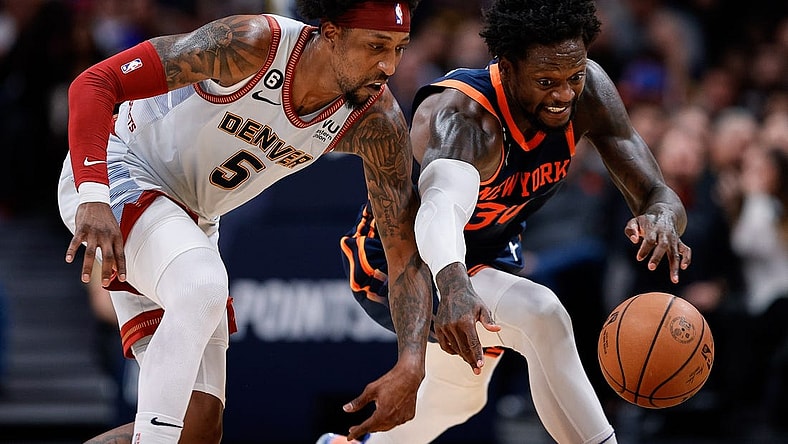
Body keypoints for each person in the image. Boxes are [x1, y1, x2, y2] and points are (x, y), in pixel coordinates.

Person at [56, 1, 492, 442]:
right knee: (202, 285)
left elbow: (401, 249)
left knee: (198, 428)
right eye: (376, 46)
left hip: (191, 218)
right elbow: (95, 82)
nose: (389, 66)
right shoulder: (253, 44)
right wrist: (93, 195)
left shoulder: (375, 121)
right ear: (331, 33)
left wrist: (412, 361)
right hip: (118, 170)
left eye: (399, 48)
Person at [318, 0, 692, 443]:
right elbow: (440, 215)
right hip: (410, 260)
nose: (563, 95)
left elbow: (656, 192)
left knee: (460, 397)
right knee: (543, 314)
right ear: (508, 68)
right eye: (546, 82)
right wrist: (454, 285)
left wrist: (661, 216)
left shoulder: (588, 90)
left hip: (489, 254)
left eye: (573, 77)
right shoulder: (464, 117)